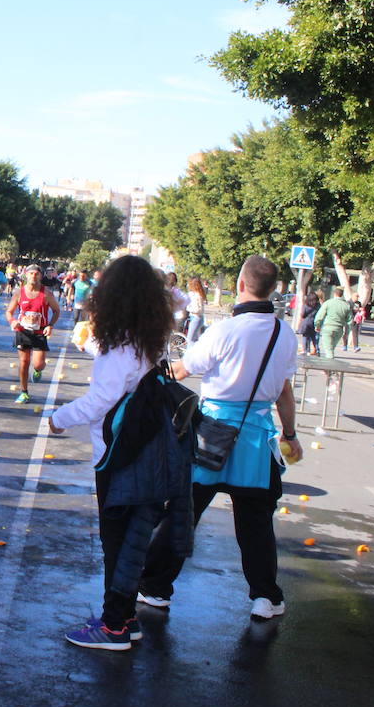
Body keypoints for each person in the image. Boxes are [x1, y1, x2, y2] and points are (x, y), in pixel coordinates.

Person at [139, 254, 302, 622]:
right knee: (256, 522)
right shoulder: (284, 334)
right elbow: (285, 393)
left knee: (183, 513)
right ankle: (265, 597)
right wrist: (291, 434)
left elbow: (180, 370)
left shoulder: (224, 331)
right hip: (257, 440)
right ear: (272, 290)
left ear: (241, 285)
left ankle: (156, 588)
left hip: (210, 435)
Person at [48, 255, 187, 650]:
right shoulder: (151, 339)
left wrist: (58, 418)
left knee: (117, 541)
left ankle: (113, 626)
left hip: (119, 454)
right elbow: (177, 300)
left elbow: (98, 402)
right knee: (133, 537)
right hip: (149, 450)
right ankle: (125, 616)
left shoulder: (120, 346)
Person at [7, 264, 60, 404]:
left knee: (38, 364)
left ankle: (37, 371)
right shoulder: (19, 292)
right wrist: (12, 321)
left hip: (39, 332)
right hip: (22, 331)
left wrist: (50, 325)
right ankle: (24, 392)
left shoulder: (46, 293)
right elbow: (9, 312)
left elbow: (56, 311)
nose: (33, 276)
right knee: (24, 362)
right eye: (31, 273)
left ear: (40, 276)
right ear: (26, 274)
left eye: (36, 274)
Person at [313, 287, 353, 359]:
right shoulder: (346, 305)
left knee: (328, 350)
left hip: (328, 328)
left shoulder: (328, 303)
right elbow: (350, 321)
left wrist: (317, 325)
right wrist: (346, 333)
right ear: (342, 294)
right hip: (339, 330)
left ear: (334, 293)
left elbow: (319, 316)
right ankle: (327, 368)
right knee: (331, 349)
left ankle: (329, 367)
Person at [185, 276, 207, 343]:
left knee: (190, 339)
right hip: (196, 317)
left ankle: (190, 352)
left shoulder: (198, 295)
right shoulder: (194, 294)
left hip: (196, 317)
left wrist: (189, 308)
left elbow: (198, 310)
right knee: (196, 339)